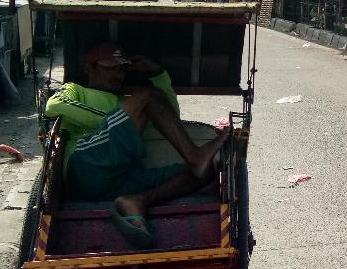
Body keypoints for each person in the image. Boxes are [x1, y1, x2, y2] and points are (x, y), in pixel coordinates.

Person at [44, 43, 228, 248]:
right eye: (110, 68)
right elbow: (53, 106)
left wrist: (159, 75)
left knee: (205, 173)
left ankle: (138, 200)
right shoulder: (75, 90)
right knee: (149, 96)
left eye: (121, 68)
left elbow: (170, 117)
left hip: (121, 178)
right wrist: (116, 119)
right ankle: (195, 157)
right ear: (90, 68)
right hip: (85, 164)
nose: (118, 74)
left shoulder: (125, 101)